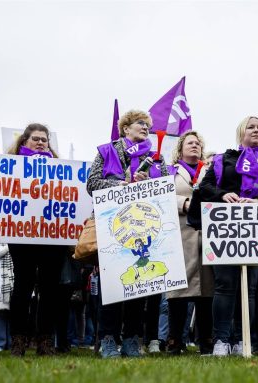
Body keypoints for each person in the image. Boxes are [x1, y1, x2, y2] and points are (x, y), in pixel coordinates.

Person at [198, 116, 258, 356]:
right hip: (227, 229)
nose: (256, 130)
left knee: (249, 287)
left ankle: (241, 340)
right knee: (225, 285)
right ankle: (221, 340)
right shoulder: (223, 159)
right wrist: (222, 195)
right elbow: (205, 187)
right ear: (241, 133)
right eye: (251, 127)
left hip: (255, 228)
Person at [87, 109, 170, 358]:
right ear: (126, 129)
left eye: (148, 125)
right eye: (140, 124)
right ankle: (109, 339)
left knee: (140, 282)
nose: (146, 128)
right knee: (112, 284)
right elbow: (92, 184)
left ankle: (133, 338)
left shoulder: (156, 157)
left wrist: (146, 183)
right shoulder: (107, 152)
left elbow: (165, 186)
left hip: (143, 226)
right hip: (113, 226)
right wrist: (120, 184)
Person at [6, 123, 67, 356]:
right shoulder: (11, 166)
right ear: (24, 142)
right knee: (23, 286)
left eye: (45, 139)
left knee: (49, 289)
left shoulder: (62, 169)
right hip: (23, 236)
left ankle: (45, 340)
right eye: (36, 139)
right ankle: (19, 340)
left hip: (53, 237)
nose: (41, 142)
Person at [165, 131, 214, 355]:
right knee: (178, 290)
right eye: (190, 143)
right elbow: (161, 196)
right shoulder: (169, 172)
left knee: (206, 290)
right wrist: (184, 203)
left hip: (207, 234)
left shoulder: (211, 169)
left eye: (198, 143)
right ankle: (175, 340)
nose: (194, 145)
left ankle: (206, 341)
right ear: (181, 148)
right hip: (180, 234)